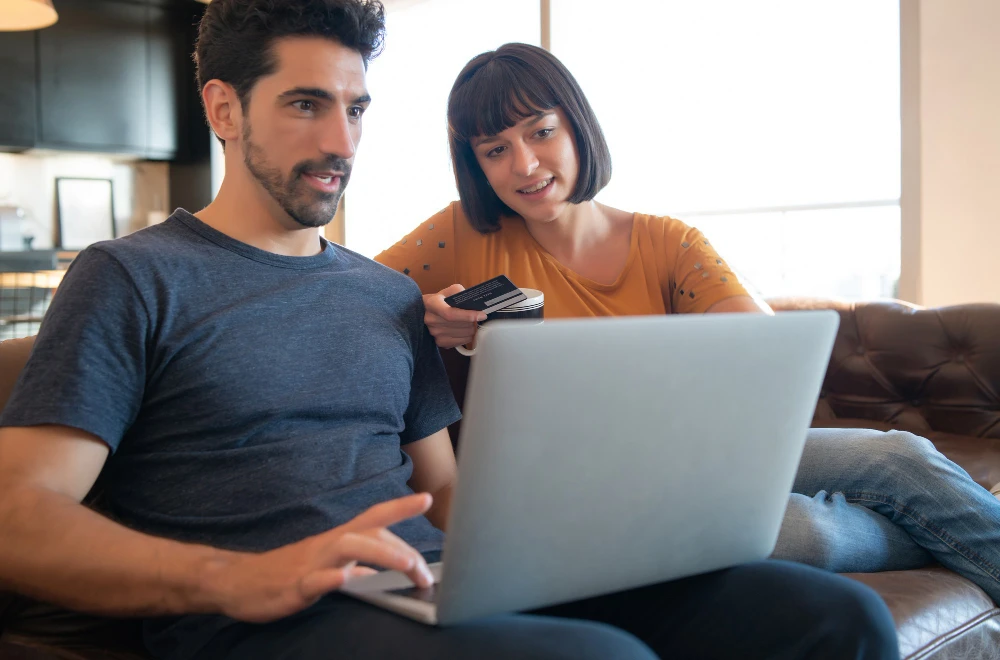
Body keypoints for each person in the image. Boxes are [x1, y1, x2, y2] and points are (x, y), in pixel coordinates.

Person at [0, 5, 898, 660]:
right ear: (225, 109)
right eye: (306, 105)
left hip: (426, 585)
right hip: (258, 617)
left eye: (356, 109)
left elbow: (447, 497)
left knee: (832, 619)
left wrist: (592, 540)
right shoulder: (132, 276)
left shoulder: (385, 295)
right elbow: (18, 517)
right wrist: (231, 577)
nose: (342, 141)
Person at [376, 41, 1000, 605]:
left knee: (898, 455)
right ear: (476, 165)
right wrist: (424, 313)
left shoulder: (667, 243)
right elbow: (346, 293)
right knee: (800, 528)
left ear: (576, 125)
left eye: (541, 132)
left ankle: (950, 533)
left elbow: (767, 359)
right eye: (495, 150)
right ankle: (945, 535)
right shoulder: (458, 233)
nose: (524, 164)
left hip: (694, 457)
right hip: (578, 492)